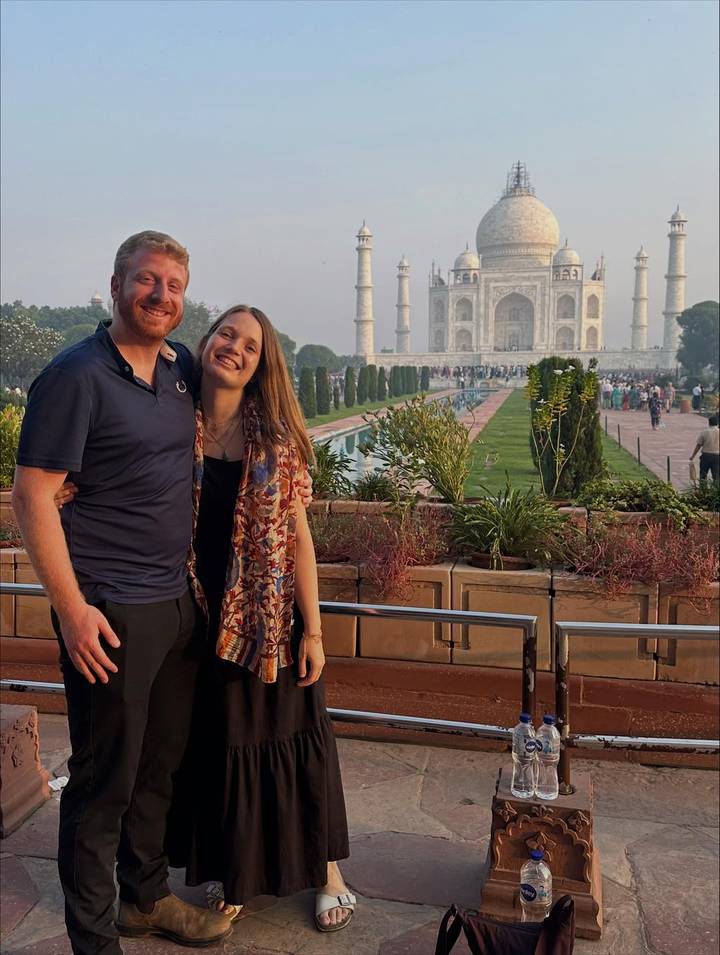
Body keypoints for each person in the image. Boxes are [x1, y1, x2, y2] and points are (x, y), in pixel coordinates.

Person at [12, 231, 312, 955]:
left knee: (158, 769)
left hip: (180, 607)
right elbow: (31, 497)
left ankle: (143, 899)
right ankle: (94, 938)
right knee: (102, 782)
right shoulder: (76, 376)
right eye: (147, 281)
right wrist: (73, 610)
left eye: (174, 286)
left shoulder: (179, 370)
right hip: (111, 611)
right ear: (114, 286)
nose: (161, 296)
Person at [167, 305, 354, 934]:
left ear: (260, 365)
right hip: (200, 616)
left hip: (270, 617)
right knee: (228, 741)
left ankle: (327, 872)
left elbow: (300, 538)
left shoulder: (273, 440)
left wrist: (317, 631)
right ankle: (238, 870)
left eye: (251, 346)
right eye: (227, 334)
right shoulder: (173, 424)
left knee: (294, 739)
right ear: (208, 339)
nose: (236, 349)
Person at [690, 414, 720, 482]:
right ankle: (716, 491)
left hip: (706, 456)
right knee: (716, 476)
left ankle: (703, 490)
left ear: (709, 423)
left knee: (703, 475)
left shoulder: (704, 432)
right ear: (717, 423)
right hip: (717, 456)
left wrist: (693, 456)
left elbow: (698, 445)